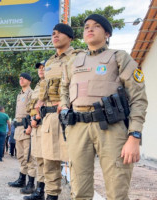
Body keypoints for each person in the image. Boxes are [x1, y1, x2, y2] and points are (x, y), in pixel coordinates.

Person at [60, 14, 148, 200]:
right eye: (86, 27)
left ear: (107, 33)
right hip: (78, 127)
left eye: (96, 26)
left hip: (111, 127)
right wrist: (64, 104)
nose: (90, 29)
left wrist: (134, 136)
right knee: (79, 190)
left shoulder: (119, 57)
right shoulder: (73, 62)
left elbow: (138, 98)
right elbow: (64, 87)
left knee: (117, 190)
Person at [35, 23, 76, 200]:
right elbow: (44, 87)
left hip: (70, 114)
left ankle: (78, 195)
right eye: (53, 33)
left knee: (75, 160)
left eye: (59, 33)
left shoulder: (78, 57)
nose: (55, 36)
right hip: (50, 116)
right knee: (50, 159)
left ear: (70, 37)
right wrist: (40, 101)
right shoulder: (49, 62)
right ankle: (51, 196)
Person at [8, 73, 36, 195]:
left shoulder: (31, 93)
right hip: (18, 128)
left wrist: (30, 126)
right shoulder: (20, 94)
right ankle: (22, 179)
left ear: (29, 81)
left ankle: (31, 184)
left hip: (26, 127)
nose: (21, 80)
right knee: (20, 156)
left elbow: (33, 111)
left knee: (29, 156)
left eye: (23, 78)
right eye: (20, 78)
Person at [23, 61, 46, 200]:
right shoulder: (39, 84)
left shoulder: (48, 83)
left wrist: (35, 120)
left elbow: (45, 104)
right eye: (39, 68)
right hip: (35, 124)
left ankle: (42, 191)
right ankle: (39, 190)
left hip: (42, 123)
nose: (41, 70)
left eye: (44, 68)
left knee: (44, 159)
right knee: (38, 158)